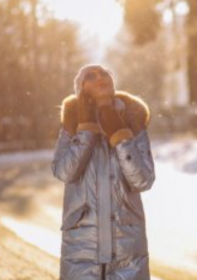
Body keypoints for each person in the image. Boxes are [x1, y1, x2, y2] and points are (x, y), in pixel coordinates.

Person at [51, 64, 156, 280]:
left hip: (128, 252)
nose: (100, 77)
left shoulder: (132, 120)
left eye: (105, 73)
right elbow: (63, 172)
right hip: (81, 251)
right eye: (91, 76)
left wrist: (120, 135)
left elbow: (144, 180)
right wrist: (86, 131)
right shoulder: (71, 123)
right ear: (81, 88)